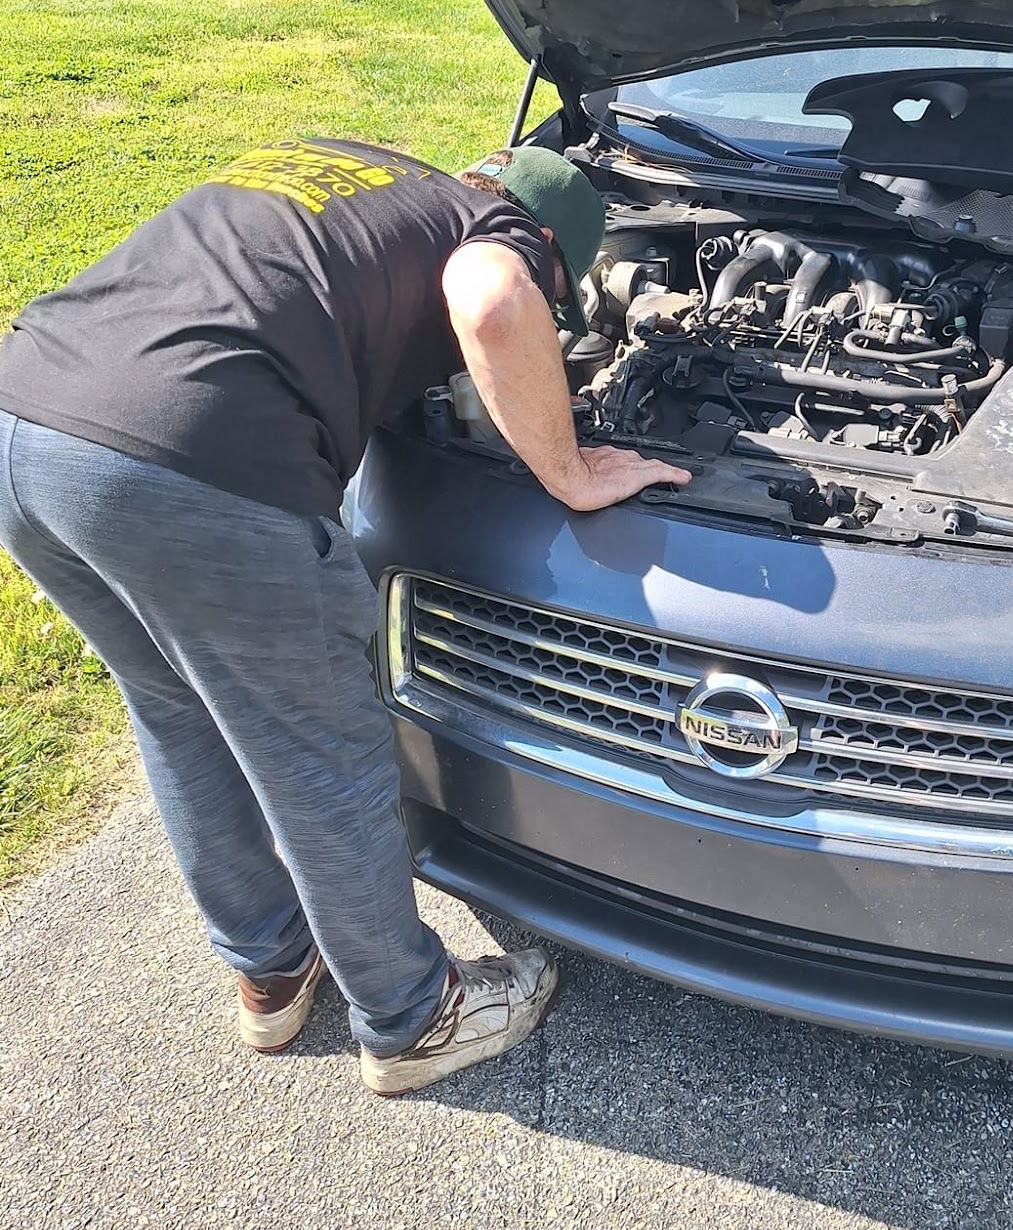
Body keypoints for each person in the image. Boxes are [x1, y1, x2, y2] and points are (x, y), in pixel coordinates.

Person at [0, 137, 688, 1096]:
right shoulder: (493, 234)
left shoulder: (362, 169)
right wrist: (569, 470)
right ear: (547, 240)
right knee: (316, 746)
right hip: (187, 459)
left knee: (173, 709)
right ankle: (410, 1015)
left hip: (30, 421)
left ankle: (272, 966)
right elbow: (493, 300)